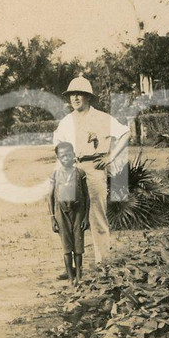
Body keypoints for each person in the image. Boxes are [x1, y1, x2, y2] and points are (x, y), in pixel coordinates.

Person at [52, 75, 130, 266]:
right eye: (72, 95)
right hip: (71, 169)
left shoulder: (102, 118)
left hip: (94, 168)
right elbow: (57, 145)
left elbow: (126, 133)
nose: (75, 98)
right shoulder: (66, 121)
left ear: (88, 97)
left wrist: (110, 156)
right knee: (69, 215)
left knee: (97, 215)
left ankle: (103, 262)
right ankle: (71, 263)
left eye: (80, 94)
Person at [47, 142, 90, 285]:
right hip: (61, 214)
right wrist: (53, 218)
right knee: (67, 247)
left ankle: (79, 276)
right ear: (58, 158)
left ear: (73, 155)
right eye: (62, 156)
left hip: (78, 212)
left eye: (69, 155)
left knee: (78, 246)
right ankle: (70, 278)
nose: (66, 158)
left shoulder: (80, 173)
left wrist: (86, 217)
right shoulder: (55, 174)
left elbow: (86, 196)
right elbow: (50, 197)